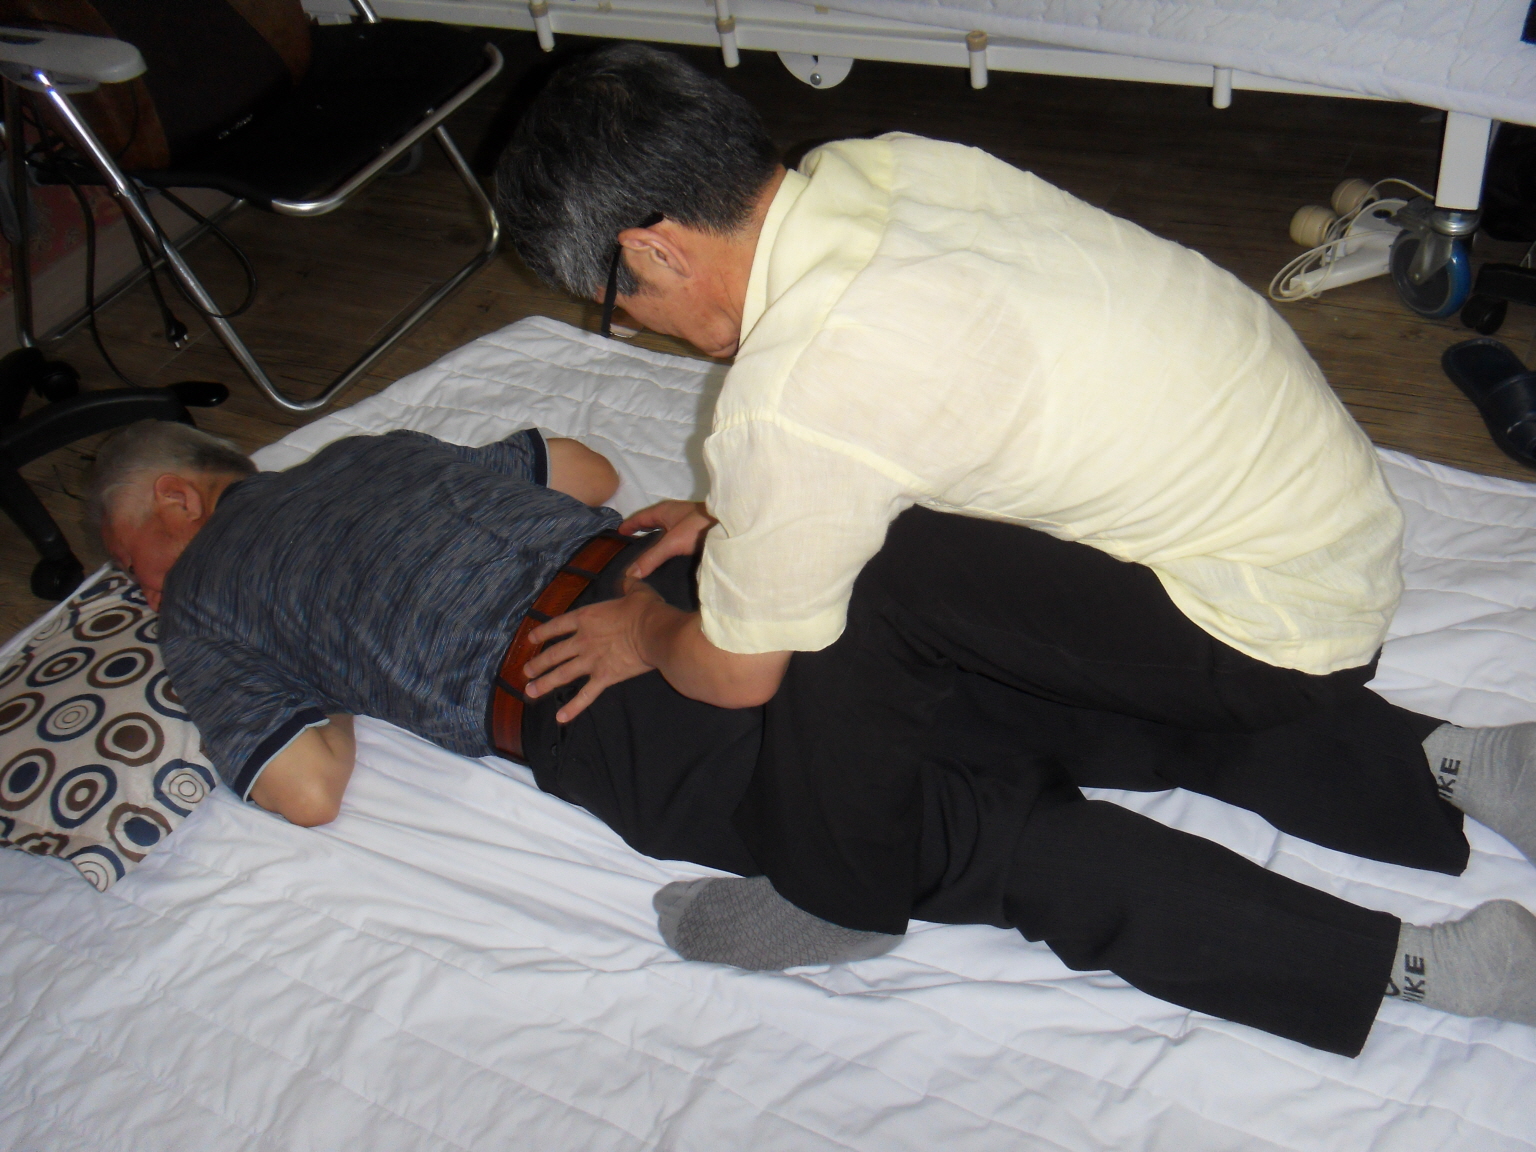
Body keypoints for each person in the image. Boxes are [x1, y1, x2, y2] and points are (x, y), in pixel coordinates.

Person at [88, 418, 1536, 1058]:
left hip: (586, 689)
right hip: (703, 578)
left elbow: (309, 786)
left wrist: (312, 661)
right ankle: (1456, 763)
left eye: (126, 564)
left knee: (976, 839)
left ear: (175, 507)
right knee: (1066, 696)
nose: (135, 594)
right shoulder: (369, 451)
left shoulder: (201, 599)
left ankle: (1420, 966)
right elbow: (583, 468)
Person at [493, 45, 1464, 952]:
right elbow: (932, 393)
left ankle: (839, 896)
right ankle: (1458, 766)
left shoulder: (792, 399)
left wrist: (643, 633)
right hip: (1331, 531)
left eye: (619, 307)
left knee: (867, 590)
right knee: (867, 536)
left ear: (656, 252)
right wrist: (746, 513)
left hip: (1269, 632)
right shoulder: (884, 165)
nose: (638, 326)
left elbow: (737, 674)